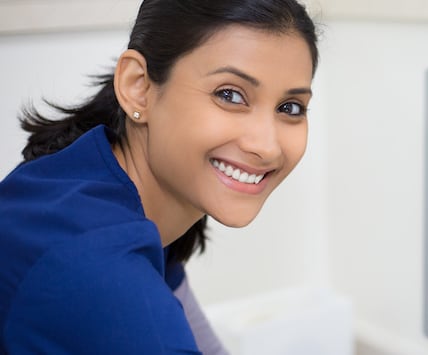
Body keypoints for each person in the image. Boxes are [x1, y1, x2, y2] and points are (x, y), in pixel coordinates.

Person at [0, 0, 319, 353]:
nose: (267, 146)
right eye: (229, 95)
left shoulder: (98, 182)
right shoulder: (100, 266)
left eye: (289, 108)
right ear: (138, 86)